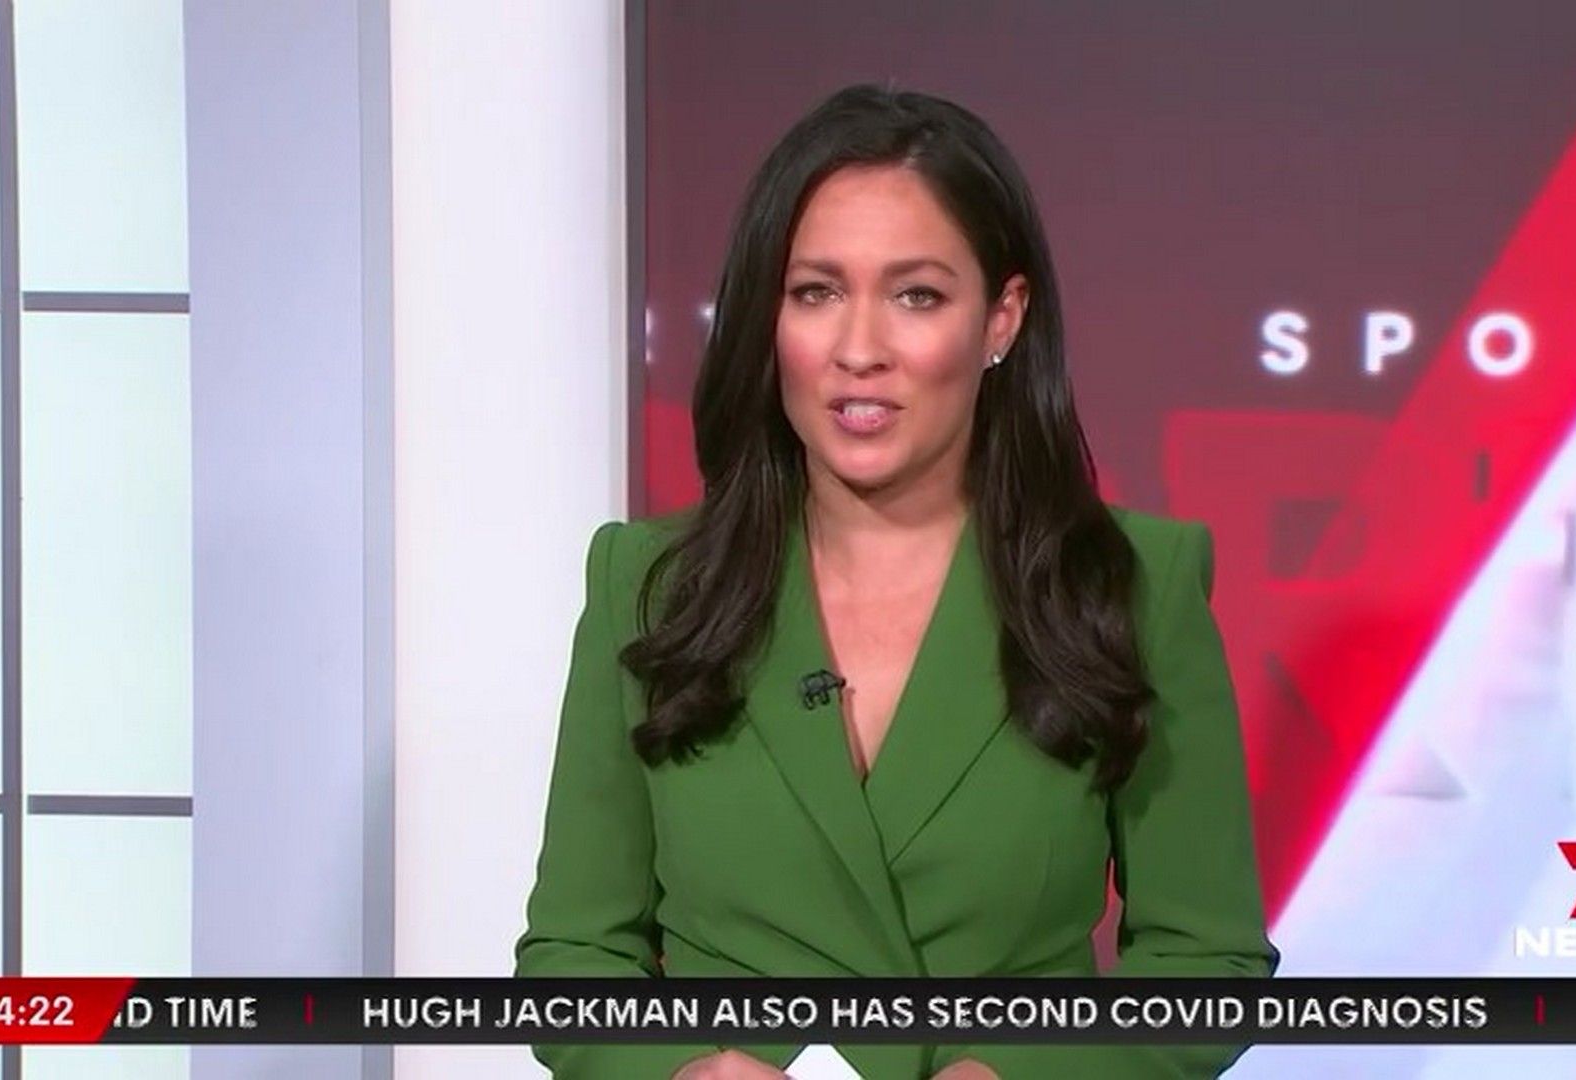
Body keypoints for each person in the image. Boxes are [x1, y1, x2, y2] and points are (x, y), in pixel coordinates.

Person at [514, 83, 1277, 1079]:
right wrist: (683, 1068)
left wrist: (1021, 1076)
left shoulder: (1133, 586)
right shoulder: (649, 585)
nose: (859, 351)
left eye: (916, 296)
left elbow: (1205, 965)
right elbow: (573, 959)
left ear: (1001, 319)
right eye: (815, 293)